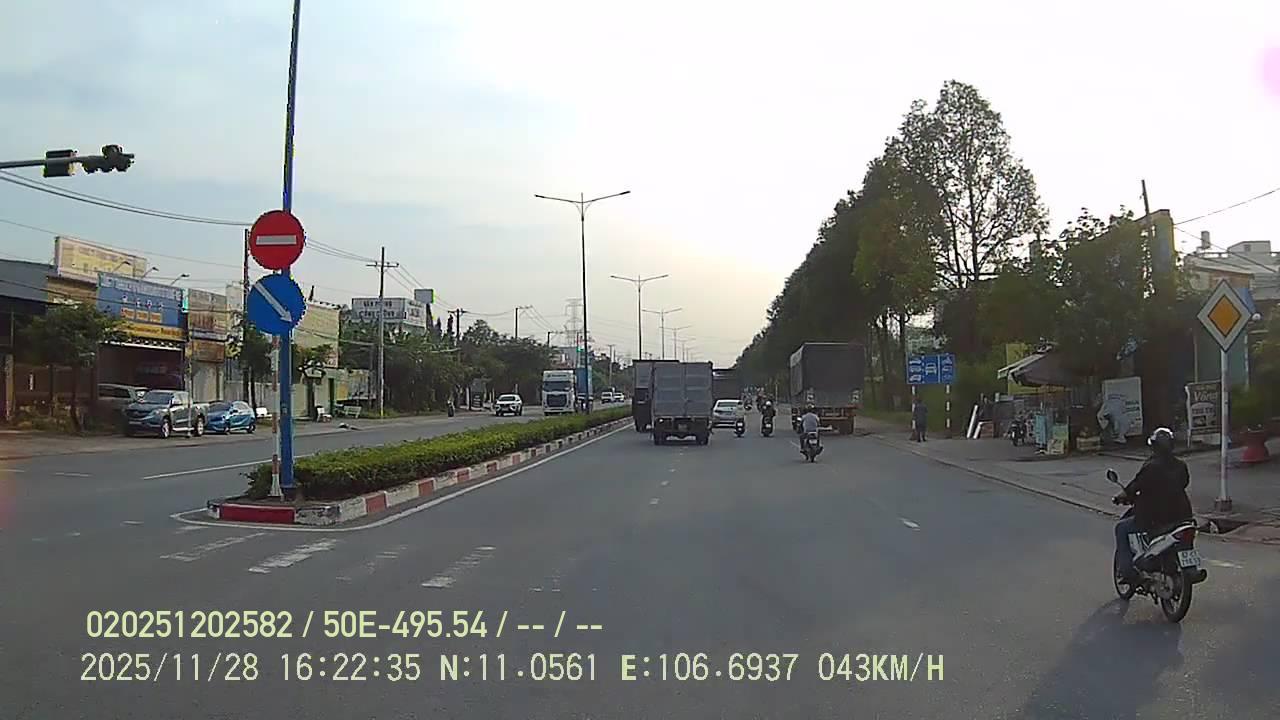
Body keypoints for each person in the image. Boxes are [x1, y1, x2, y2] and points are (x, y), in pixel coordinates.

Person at [1112, 427, 1194, 584]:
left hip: (1155, 517)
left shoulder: (1151, 466)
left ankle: (1127, 571)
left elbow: (1135, 485)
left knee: (1121, 528)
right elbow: (1184, 483)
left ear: (1154, 446)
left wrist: (1123, 495)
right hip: (1183, 515)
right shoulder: (1181, 465)